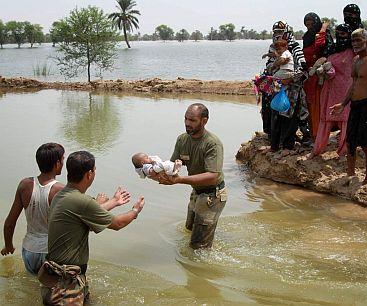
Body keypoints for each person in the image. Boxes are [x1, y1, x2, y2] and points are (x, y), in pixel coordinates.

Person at [38, 150, 145, 304]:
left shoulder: (61, 196)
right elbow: (117, 224)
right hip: (66, 282)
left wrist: (114, 201)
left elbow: (86, 215)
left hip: (60, 276)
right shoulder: (81, 201)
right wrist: (136, 210)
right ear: (89, 174)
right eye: (94, 170)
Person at [158, 103, 227, 249]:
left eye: (192, 120)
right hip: (196, 192)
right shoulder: (182, 140)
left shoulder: (212, 144)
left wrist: (179, 180)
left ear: (204, 121)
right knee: (189, 230)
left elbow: (213, 176)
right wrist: (155, 170)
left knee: (198, 247)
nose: (187, 124)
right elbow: (173, 165)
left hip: (212, 196)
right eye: (186, 119)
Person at [1, 143, 65, 275]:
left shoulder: (25, 185)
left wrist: (8, 245)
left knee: (32, 284)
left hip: (29, 250)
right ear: (57, 163)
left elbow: (9, 223)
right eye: (63, 159)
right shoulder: (61, 190)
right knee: (52, 290)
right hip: (51, 251)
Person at [330, 28, 367, 185]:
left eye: (358, 40)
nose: (355, 43)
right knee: (350, 141)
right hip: (354, 105)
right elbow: (353, 85)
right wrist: (343, 103)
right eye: (353, 40)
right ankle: (350, 173)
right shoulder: (355, 61)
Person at [312, 24, 355, 157]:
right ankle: (318, 149)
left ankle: (343, 151)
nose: (340, 37)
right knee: (326, 118)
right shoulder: (333, 49)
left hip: (345, 90)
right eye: (338, 34)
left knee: (345, 120)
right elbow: (330, 71)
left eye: (343, 34)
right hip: (330, 89)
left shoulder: (353, 51)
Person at [303, 13, 335, 139]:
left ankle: (320, 135)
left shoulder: (324, 35)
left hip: (319, 75)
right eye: (307, 24)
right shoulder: (306, 37)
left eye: (312, 24)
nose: (310, 27)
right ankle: (313, 133)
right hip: (308, 75)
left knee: (319, 104)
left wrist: (322, 29)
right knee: (310, 104)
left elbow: (321, 45)